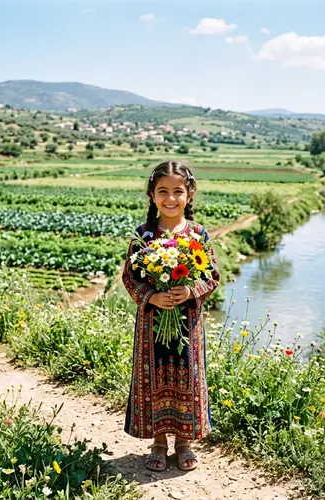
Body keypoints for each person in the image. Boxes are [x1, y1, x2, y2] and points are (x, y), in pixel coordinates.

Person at [122, 160, 220, 472]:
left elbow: (213, 276)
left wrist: (191, 292)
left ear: (189, 195)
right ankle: (159, 443)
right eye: (163, 191)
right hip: (152, 325)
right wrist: (152, 296)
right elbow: (129, 278)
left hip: (187, 325)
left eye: (178, 191)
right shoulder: (144, 235)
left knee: (186, 379)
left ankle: (184, 442)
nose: (170, 198)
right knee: (154, 381)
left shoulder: (198, 234)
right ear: (151, 195)